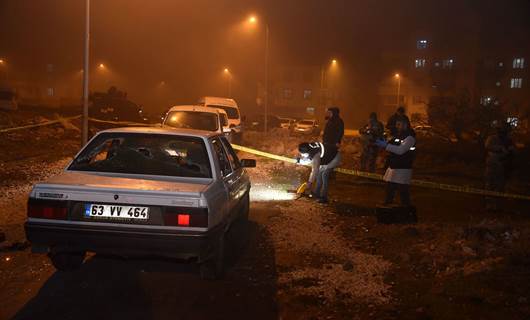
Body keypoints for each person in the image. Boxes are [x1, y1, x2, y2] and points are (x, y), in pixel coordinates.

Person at [375, 118, 416, 206]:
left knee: (403, 192)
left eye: (399, 124)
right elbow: (391, 145)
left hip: (403, 168)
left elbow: (400, 150)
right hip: (394, 167)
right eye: (397, 124)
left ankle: (407, 212)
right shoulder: (398, 135)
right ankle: (387, 208)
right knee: (390, 190)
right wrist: (383, 142)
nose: (397, 127)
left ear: (405, 125)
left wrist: (386, 145)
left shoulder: (410, 138)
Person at [484, 122, 515, 210]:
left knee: (499, 184)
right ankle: (489, 203)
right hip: (493, 163)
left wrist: (509, 151)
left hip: (502, 165)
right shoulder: (492, 138)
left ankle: (496, 204)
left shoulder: (508, 141)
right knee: (490, 183)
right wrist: (500, 149)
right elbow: (487, 146)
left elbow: (513, 151)